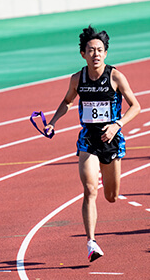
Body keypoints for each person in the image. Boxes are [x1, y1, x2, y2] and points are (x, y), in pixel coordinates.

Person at [44, 26, 141, 261]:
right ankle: (91, 242)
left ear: (105, 53)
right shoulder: (78, 78)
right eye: (91, 50)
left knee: (111, 196)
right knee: (89, 190)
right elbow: (67, 101)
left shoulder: (115, 76)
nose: (95, 54)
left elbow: (136, 106)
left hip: (111, 140)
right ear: (83, 54)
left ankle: (94, 234)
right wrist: (53, 122)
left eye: (99, 50)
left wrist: (117, 125)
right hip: (88, 139)